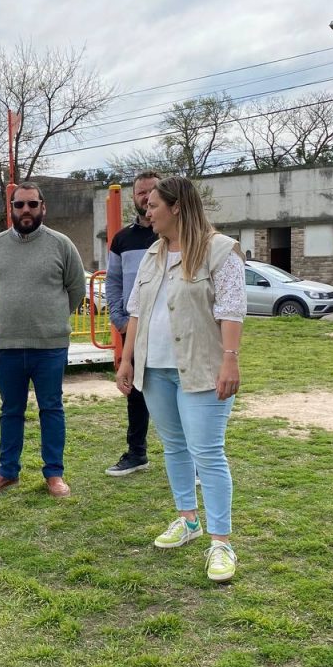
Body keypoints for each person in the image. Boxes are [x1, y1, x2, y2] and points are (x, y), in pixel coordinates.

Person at [115, 176, 245, 583]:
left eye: (153, 205)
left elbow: (231, 310)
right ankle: (187, 520)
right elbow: (136, 310)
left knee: (207, 453)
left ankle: (221, 542)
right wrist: (127, 358)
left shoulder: (220, 251)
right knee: (174, 447)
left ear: (177, 207)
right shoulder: (154, 252)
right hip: (155, 369)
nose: (146, 212)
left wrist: (230, 360)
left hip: (203, 369)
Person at [0, 182, 85, 498]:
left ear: (43, 207)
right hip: (7, 345)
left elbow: (76, 288)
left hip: (50, 346)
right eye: (20, 205)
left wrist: (50, 318)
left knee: (51, 408)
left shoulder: (62, 244)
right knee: (10, 410)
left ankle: (54, 474)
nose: (26, 210)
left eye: (32, 204)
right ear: (10, 208)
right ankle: (7, 472)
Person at [104, 171, 160, 476]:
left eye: (153, 191)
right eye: (141, 192)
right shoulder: (122, 239)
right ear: (134, 197)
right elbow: (113, 282)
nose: (146, 197)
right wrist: (119, 318)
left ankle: (193, 462)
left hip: (169, 330)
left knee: (176, 391)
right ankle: (137, 453)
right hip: (134, 330)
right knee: (135, 393)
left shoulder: (173, 234)